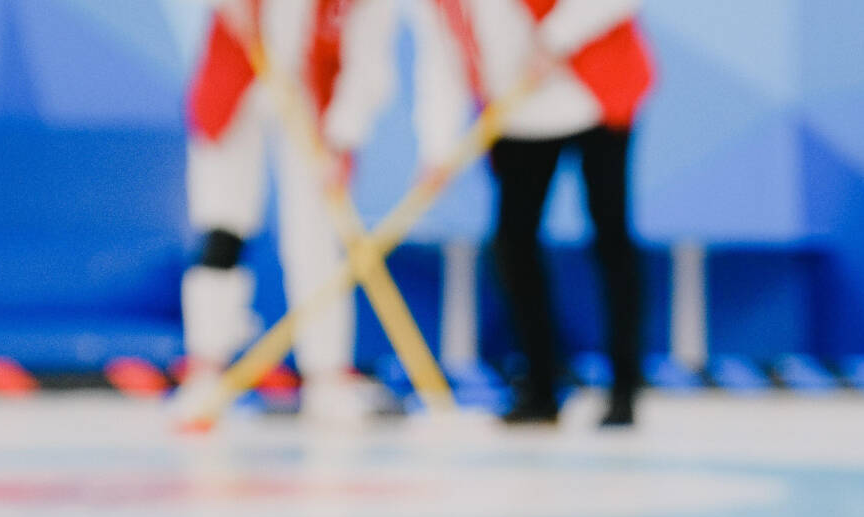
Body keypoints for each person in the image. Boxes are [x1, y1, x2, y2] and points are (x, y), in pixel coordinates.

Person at [411, 0, 653, 426]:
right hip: (518, 109)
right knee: (513, 244)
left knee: (611, 236)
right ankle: (541, 388)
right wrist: (437, 148)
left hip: (593, 90)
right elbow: (443, 57)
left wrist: (555, 38)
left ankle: (624, 389)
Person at [175, 0, 397, 422]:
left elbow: (370, 64)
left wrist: (342, 135)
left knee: (315, 236)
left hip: (311, 96)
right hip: (236, 78)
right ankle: (204, 370)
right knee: (223, 223)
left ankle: (326, 378)